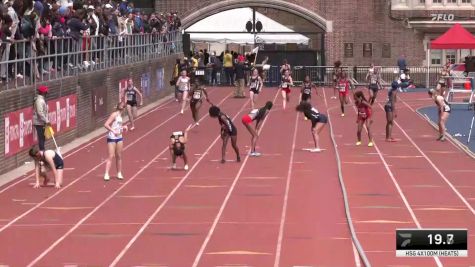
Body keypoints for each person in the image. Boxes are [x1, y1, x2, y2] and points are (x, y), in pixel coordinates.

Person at [104, 102, 128, 181]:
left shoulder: (120, 116)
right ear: (123, 108)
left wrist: (123, 127)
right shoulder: (114, 114)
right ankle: (106, 173)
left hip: (119, 137)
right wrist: (113, 131)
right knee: (111, 155)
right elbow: (106, 124)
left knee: (119, 155)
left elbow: (118, 126)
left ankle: (119, 173)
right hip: (112, 137)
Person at [33, 85, 50, 151]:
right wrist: (46, 121)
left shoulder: (41, 100)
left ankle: (42, 151)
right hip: (39, 122)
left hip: (41, 122)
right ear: (43, 92)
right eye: (46, 92)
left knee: (42, 137)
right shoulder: (39, 101)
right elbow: (40, 113)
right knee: (41, 138)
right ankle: (42, 152)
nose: (46, 94)